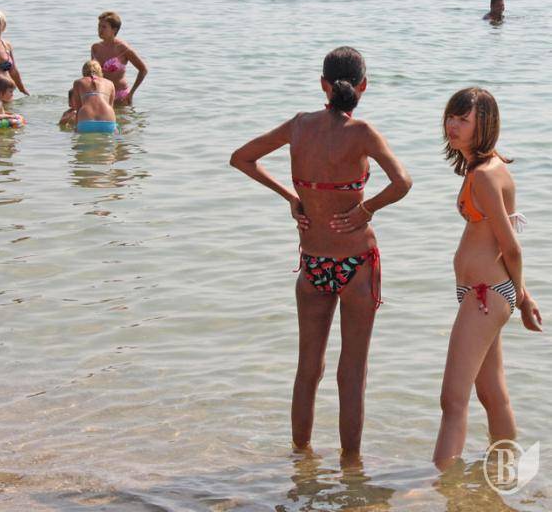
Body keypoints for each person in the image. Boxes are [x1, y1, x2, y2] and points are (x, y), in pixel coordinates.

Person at [230, 47, 412, 456]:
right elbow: (402, 182)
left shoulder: (299, 126)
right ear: (363, 86)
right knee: (352, 373)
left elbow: (241, 158)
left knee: (308, 369)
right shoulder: (362, 133)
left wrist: (291, 197)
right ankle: (351, 469)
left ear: (323, 85)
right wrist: (365, 209)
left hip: (313, 264)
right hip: (357, 264)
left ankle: (301, 460)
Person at [433, 88, 542, 470]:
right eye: (451, 117)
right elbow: (499, 242)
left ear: (484, 125)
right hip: (487, 293)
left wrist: (521, 297)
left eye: (463, 120)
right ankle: (505, 468)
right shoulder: (486, 168)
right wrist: (521, 296)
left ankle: (441, 482)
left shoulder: (483, 175)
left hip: (485, 294)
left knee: (452, 399)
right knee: (492, 394)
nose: (453, 126)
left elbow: (511, 247)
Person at [91, 11, 147, 106]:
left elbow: (143, 70)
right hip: (101, 95)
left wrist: (131, 93)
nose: (100, 30)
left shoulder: (123, 48)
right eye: (99, 26)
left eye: (104, 27)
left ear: (114, 29)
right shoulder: (95, 48)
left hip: (120, 97)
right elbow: (93, 74)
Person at [75, 60, 118, 133]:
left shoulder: (78, 82)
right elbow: (111, 106)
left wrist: (76, 127)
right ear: (100, 71)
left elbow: (78, 109)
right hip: (108, 119)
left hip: (86, 119)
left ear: (83, 72)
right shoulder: (110, 83)